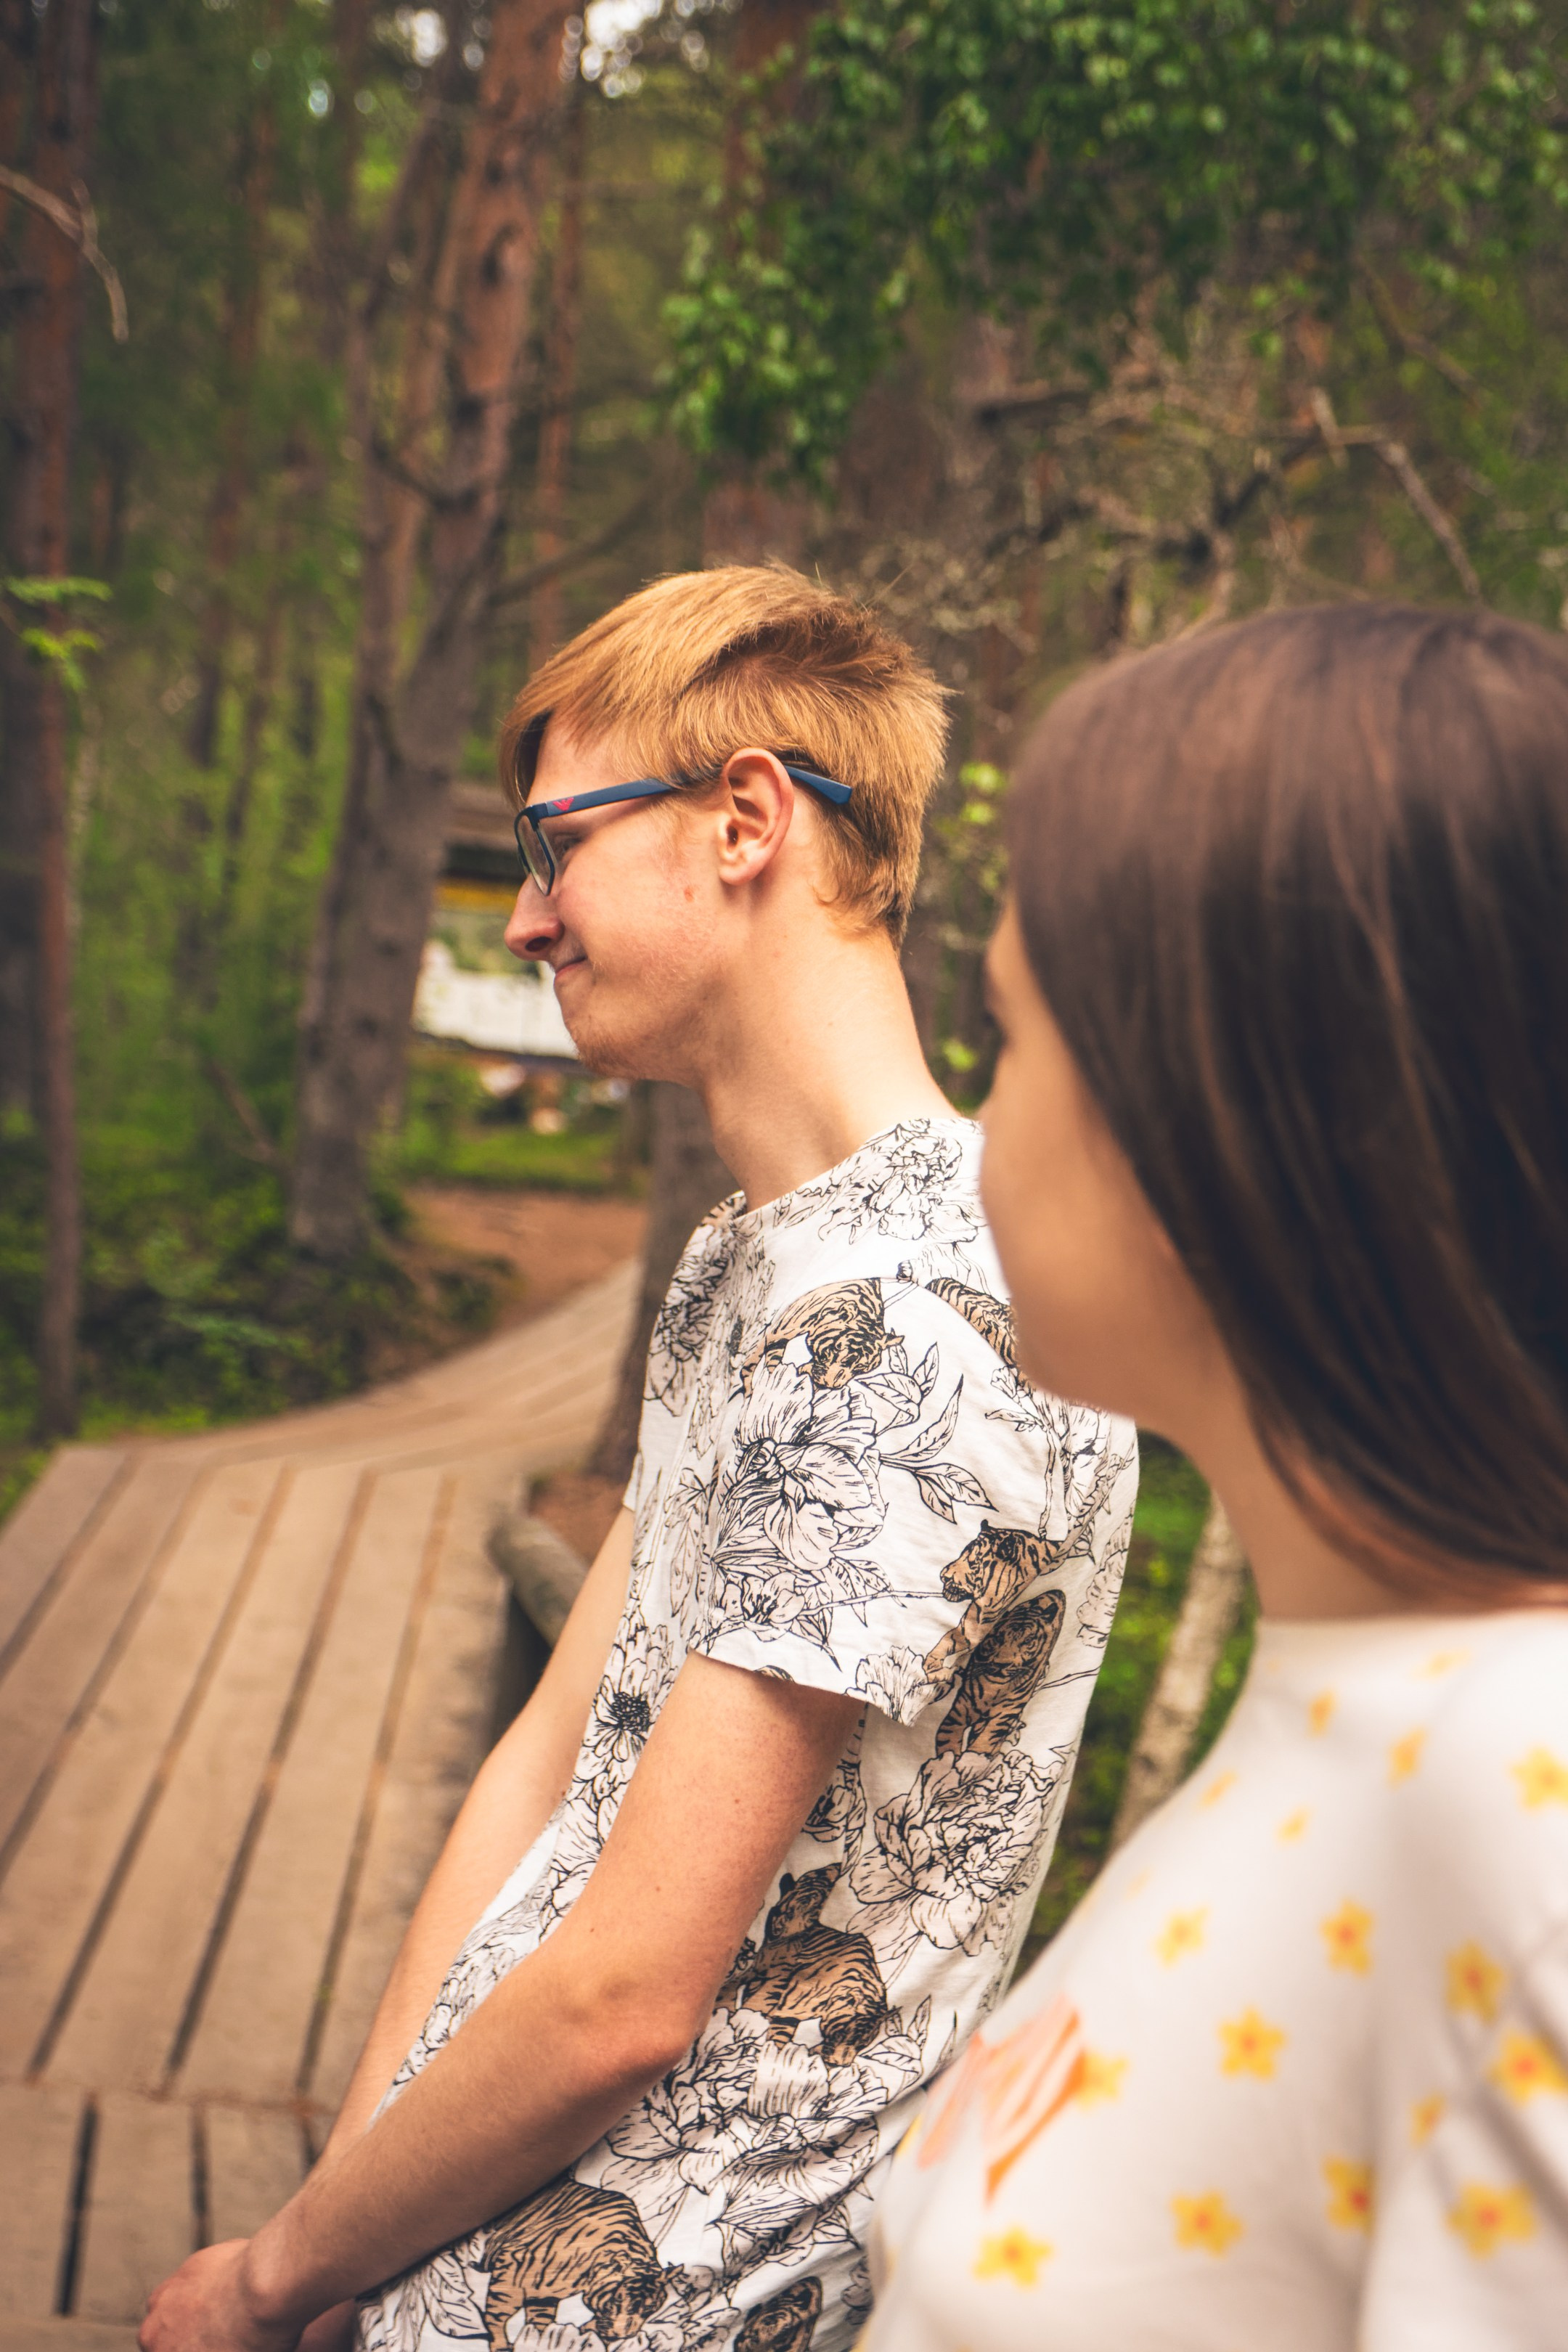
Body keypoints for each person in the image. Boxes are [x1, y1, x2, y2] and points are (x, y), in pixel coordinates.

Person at [139, 566, 1137, 2352]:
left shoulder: (917, 1321)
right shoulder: (750, 1261)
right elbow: (549, 1751)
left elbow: (626, 1997)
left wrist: (276, 2272)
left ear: (743, 822)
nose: (527, 919)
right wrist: (341, 2222)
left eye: (555, 848)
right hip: (450, 2258)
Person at [862, 600, 1568, 2349]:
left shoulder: (1524, 1799)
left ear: (1228, 1128)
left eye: (1011, 1036)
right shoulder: (1358, 1704)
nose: (977, 1115)